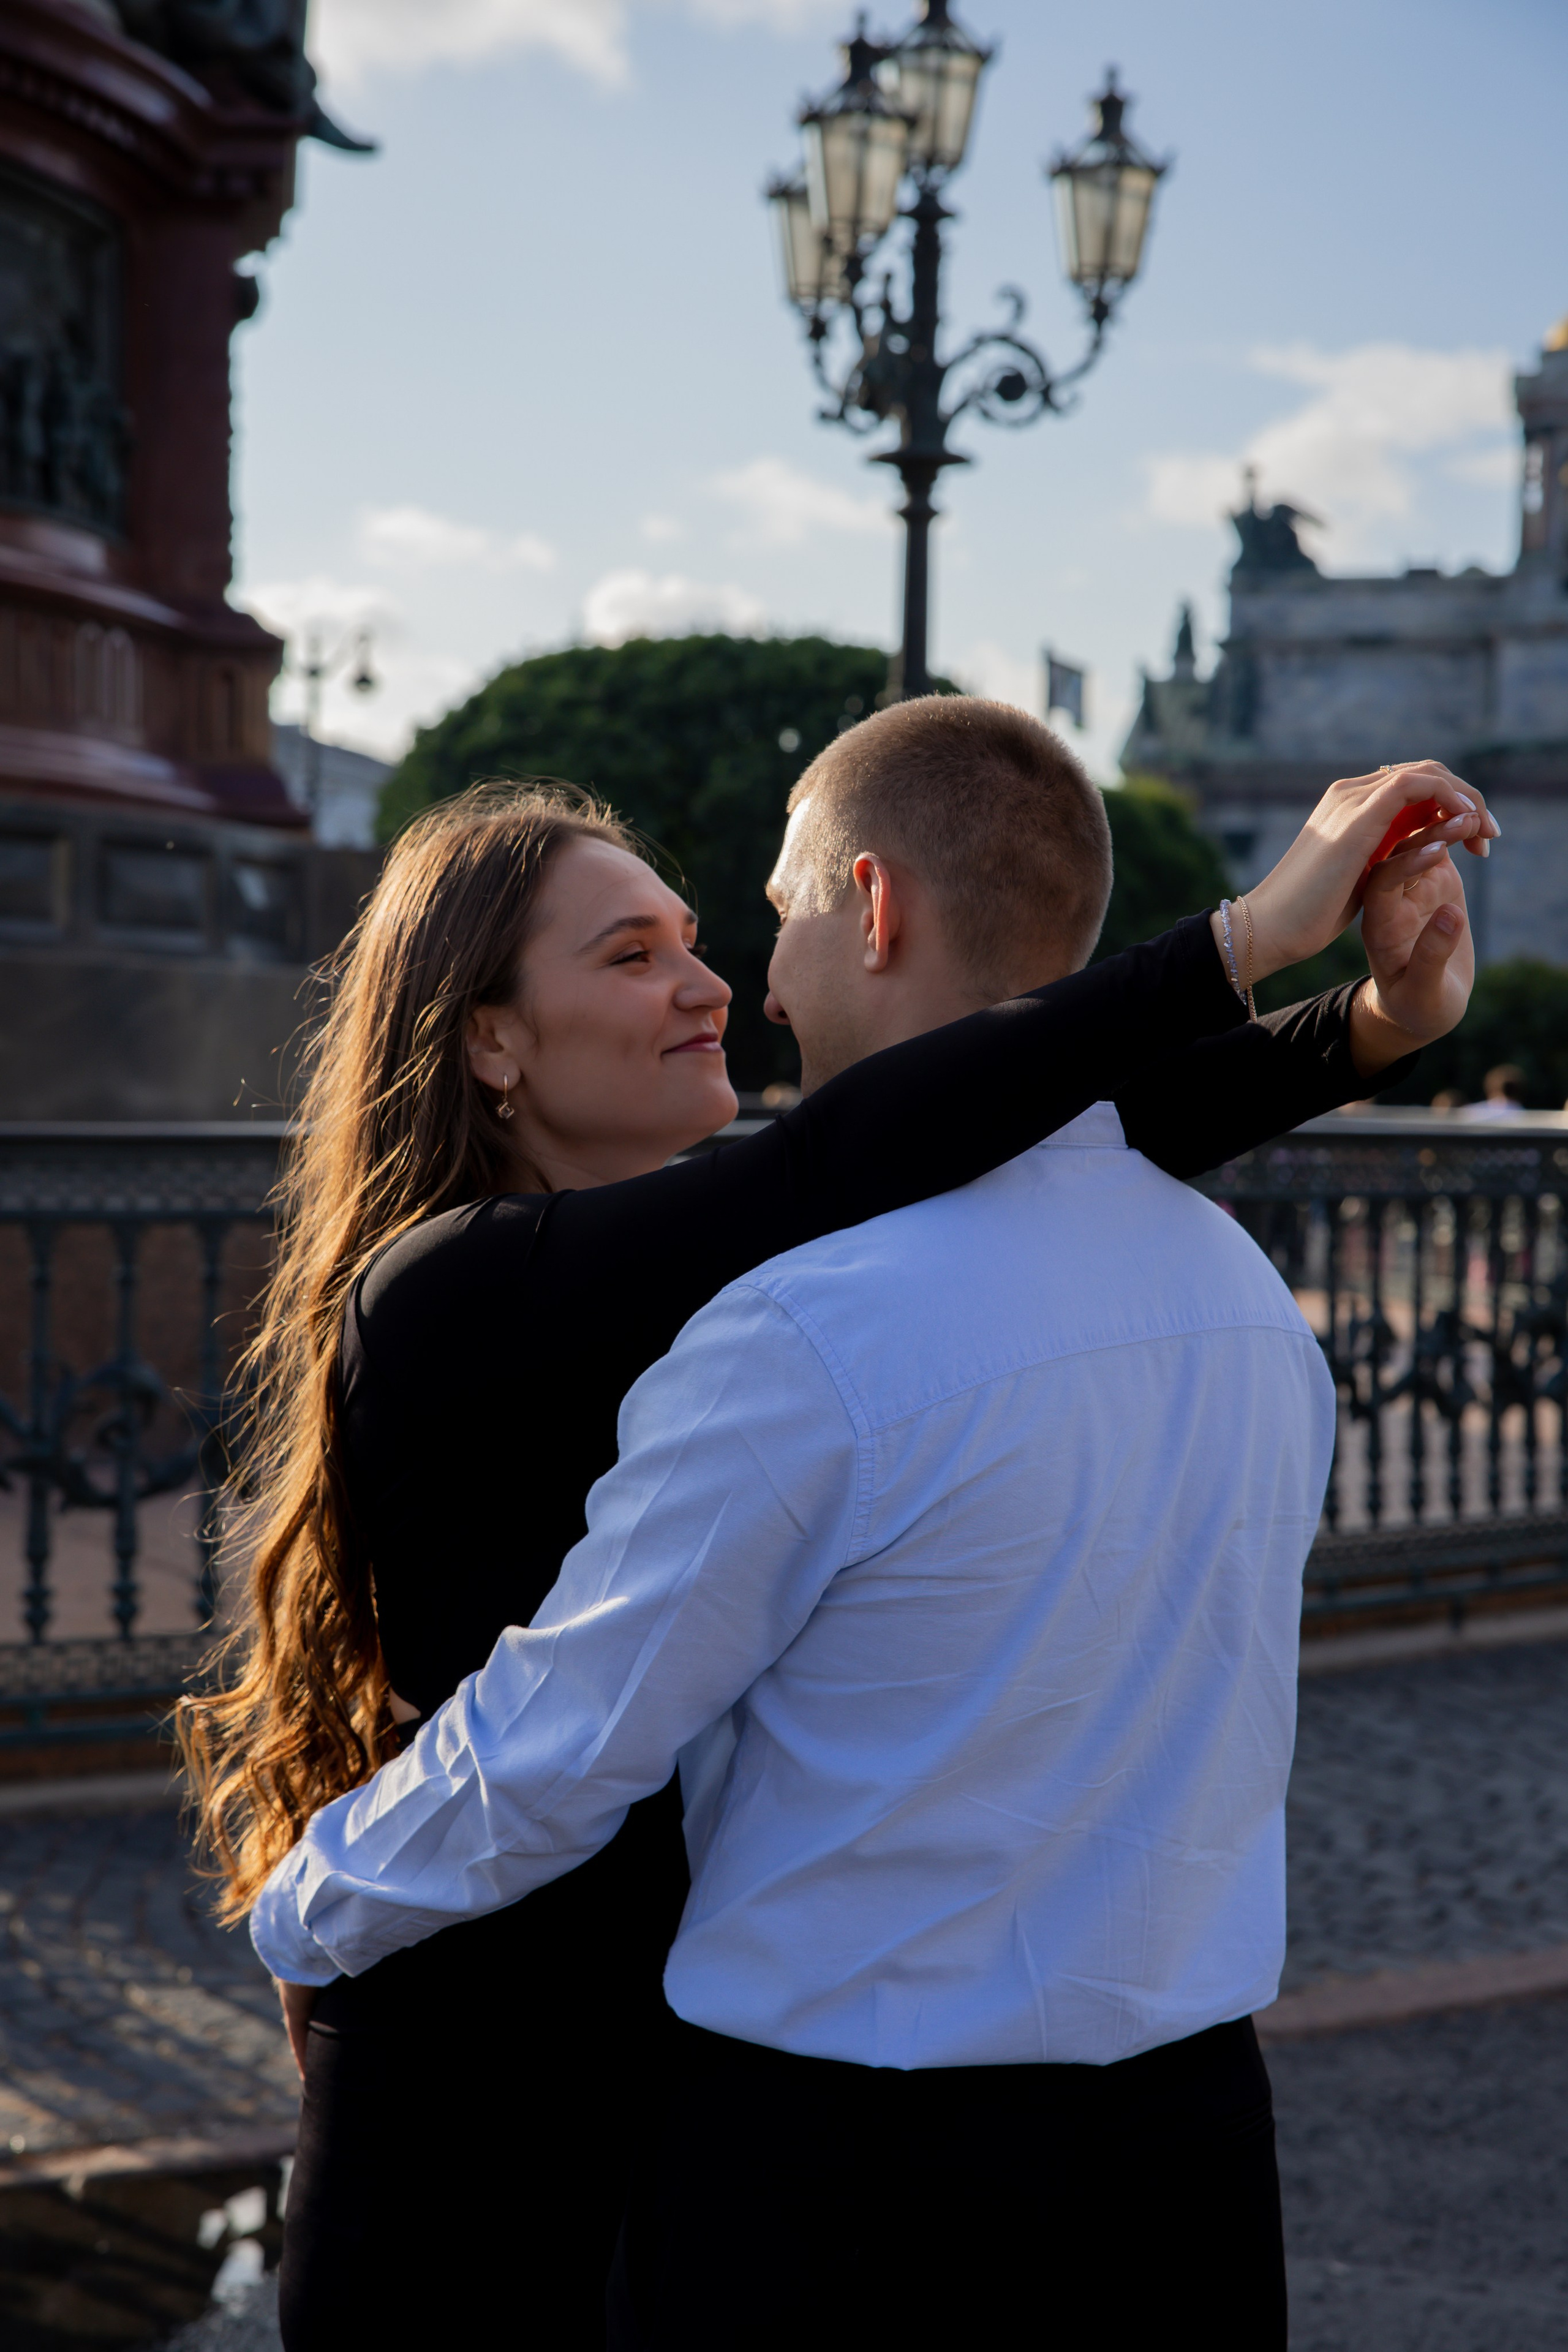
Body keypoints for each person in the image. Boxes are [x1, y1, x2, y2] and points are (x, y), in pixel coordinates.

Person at [238, 707, 1488, 2346]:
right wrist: (1243, 942)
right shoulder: (459, 1284)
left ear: (873, 907)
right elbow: (876, 1144)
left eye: (713, 934)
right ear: (490, 1043)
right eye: (634, 955)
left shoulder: (764, 1274)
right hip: (481, 2051)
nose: (723, 985)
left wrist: (1377, 1023)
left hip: (669, 2053)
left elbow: (1038, 1133)